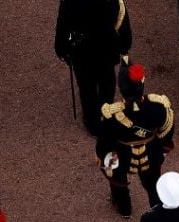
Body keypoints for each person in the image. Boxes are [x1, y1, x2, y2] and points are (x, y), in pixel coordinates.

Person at [96, 60, 174, 217]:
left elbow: (104, 142)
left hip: (122, 157)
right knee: (153, 186)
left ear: (122, 88)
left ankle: (124, 209)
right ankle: (157, 213)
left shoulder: (111, 114)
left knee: (117, 182)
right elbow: (167, 130)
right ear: (142, 84)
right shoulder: (159, 106)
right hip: (151, 155)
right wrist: (162, 149)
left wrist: (102, 156)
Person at [54, 0, 132, 136]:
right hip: (106, 49)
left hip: (81, 51)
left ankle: (92, 122)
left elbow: (63, 23)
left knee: (86, 87)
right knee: (107, 83)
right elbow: (122, 18)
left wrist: (61, 49)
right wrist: (125, 44)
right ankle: (106, 115)